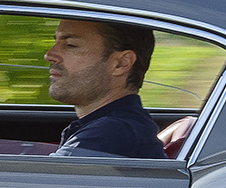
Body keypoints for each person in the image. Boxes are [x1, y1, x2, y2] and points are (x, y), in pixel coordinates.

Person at [45, 18, 168, 159]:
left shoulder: (113, 133)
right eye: (56, 42)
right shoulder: (110, 128)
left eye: (71, 45)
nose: (49, 55)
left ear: (121, 63)